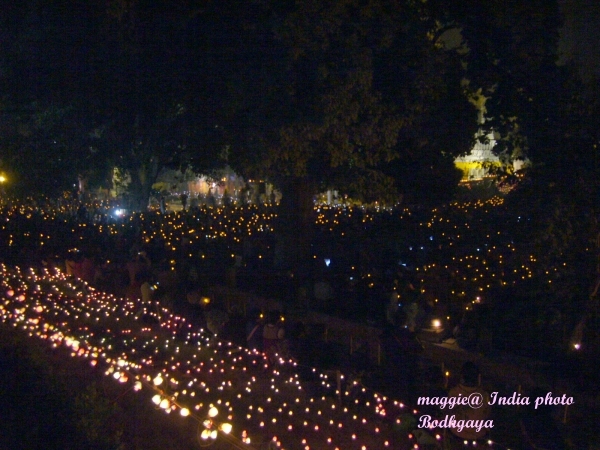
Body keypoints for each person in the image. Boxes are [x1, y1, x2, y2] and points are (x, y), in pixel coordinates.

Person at [447, 362, 492, 442]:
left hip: (456, 434)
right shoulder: (484, 395)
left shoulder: (453, 392)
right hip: (477, 436)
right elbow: (487, 415)